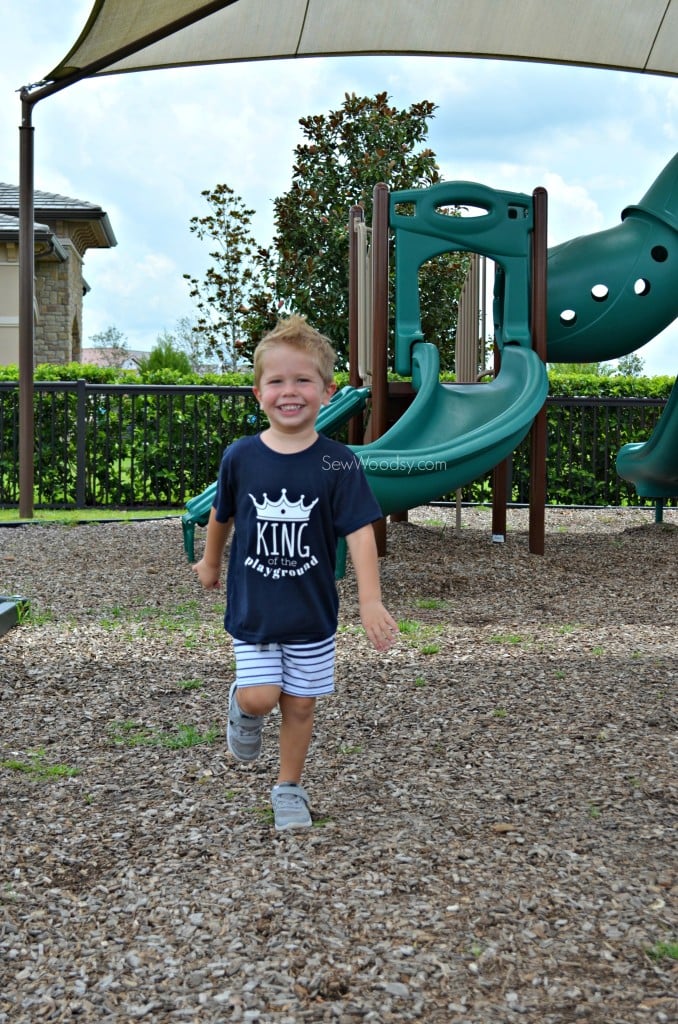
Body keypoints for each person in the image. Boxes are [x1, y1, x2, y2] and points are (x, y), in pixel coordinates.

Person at [192, 314, 398, 831]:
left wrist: (369, 600)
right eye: (277, 381)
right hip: (256, 607)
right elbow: (223, 515)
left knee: (302, 706)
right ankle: (241, 705)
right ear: (258, 391)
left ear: (327, 391)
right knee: (263, 697)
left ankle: (288, 787)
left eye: (303, 380)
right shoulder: (241, 456)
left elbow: (358, 531)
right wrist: (210, 562)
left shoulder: (337, 464)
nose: (290, 391)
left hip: (312, 612)